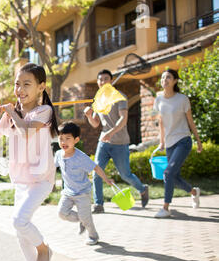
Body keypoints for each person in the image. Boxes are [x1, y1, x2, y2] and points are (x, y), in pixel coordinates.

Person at [0, 63, 59, 261]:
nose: (20, 89)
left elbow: (26, 131)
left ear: (41, 87)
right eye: (18, 84)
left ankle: (43, 250)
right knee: (19, 229)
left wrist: (10, 112)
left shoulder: (43, 112)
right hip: (20, 179)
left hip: (41, 179)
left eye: (27, 84)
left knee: (19, 220)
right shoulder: (12, 114)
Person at [84, 69, 149, 214]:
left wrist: (110, 132)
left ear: (111, 81)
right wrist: (89, 115)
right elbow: (95, 124)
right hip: (104, 143)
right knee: (96, 173)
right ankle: (98, 204)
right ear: (98, 82)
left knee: (125, 175)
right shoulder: (98, 100)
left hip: (120, 142)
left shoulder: (120, 97)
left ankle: (142, 189)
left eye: (105, 79)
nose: (102, 82)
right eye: (100, 79)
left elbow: (123, 119)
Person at [152, 69, 202, 218]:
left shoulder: (182, 99)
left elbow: (190, 122)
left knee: (167, 173)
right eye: (162, 78)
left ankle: (166, 208)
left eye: (168, 77)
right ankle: (194, 192)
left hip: (183, 140)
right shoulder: (158, 99)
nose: (165, 80)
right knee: (173, 176)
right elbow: (161, 122)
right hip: (169, 143)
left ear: (174, 81)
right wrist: (162, 142)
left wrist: (198, 141)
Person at [55, 122, 114, 245]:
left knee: (86, 218)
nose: (63, 142)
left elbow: (96, 168)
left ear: (76, 140)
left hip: (82, 193)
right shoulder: (59, 154)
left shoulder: (80, 157)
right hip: (68, 192)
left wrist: (106, 179)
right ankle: (82, 220)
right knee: (61, 213)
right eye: (61, 139)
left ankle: (93, 236)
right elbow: (51, 167)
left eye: (67, 138)